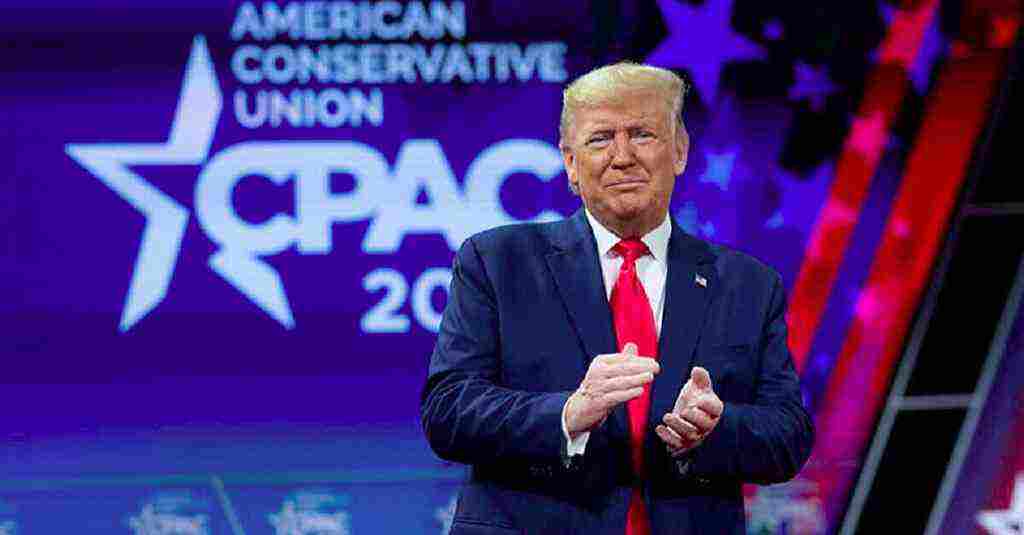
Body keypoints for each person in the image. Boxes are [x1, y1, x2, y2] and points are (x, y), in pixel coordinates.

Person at [420, 62, 814, 535]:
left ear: (680, 150)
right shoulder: (497, 263)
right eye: (601, 138)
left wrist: (718, 426)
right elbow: (448, 411)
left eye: (643, 134)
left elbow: (788, 435)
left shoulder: (748, 284)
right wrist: (568, 414)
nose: (622, 156)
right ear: (571, 163)